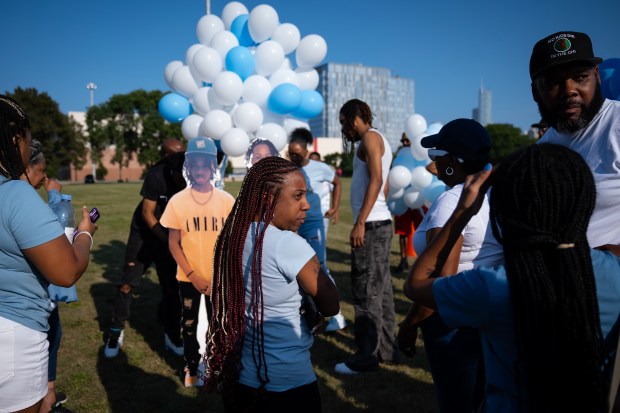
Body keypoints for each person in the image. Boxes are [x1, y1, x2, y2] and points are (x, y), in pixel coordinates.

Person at [405, 143, 620, 412]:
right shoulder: (613, 269)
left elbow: (416, 284)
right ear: (585, 201)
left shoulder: (494, 286)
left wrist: (462, 213)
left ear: (510, 211)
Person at [205, 156, 340, 412]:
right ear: (268, 198)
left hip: (244, 377)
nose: (306, 206)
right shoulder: (286, 244)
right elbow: (331, 302)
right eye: (298, 196)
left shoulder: (234, 235)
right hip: (288, 383)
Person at [0, 94, 97, 413]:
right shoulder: (14, 194)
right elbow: (65, 271)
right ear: (16, 139)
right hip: (13, 334)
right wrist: (85, 233)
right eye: (27, 139)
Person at [399, 119, 503, 412]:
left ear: (453, 162)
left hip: (453, 323)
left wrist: (409, 324)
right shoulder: (497, 195)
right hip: (489, 315)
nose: (433, 164)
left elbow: (441, 281)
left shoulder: (451, 202)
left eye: (436, 157)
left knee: (456, 404)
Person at [531, 30, 620, 248]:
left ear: (597, 77)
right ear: (535, 92)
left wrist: (608, 258)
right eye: (553, 83)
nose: (569, 90)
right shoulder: (540, 152)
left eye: (580, 77)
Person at [160, 137, 235, 387]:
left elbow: (231, 243)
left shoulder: (226, 201)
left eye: (206, 165)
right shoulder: (177, 201)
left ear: (213, 167)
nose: (200, 171)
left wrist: (217, 275)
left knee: (217, 324)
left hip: (218, 277)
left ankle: (215, 367)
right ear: (188, 168)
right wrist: (193, 275)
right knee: (189, 325)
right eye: (195, 165)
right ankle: (191, 366)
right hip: (189, 277)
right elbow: (173, 243)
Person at [104, 138, 186, 359]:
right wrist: (167, 239)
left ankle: (171, 335)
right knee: (128, 283)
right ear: (167, 158)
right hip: (145, 235)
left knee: (172, 288)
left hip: (170, 236)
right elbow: (147, 214)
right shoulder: (156, 175)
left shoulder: (191, 175)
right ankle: (115, 331)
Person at [335, 99, 399, 374]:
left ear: (354, 117)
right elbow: (383, 186)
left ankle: (366, 357)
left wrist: (360, 221)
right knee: (382, 289)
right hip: (380, 222)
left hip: (371, 226)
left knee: (365, 291)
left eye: (343, 122)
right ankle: (387, 351)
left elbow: (376, 180)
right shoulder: (379, 138)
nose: (343, 128)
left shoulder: (371, 138)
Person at [21, 140, 75, 413]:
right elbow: (57, 238)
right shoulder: (23, 202)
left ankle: (48, 394)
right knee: (49, 336)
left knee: (54, 333)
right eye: (41, 170)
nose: (44, 177)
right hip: (28, 304)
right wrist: (56, 198)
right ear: (26, 169)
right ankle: (45, 400)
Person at [287, 128, 346, 332]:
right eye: (290, 153)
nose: (294, 156)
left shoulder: (320, 167)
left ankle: (335, 315)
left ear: (306, 150)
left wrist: (335, 207)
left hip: (313, 223)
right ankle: (307, 314)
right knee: (296, 268)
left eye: (297, 153)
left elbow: (337, 183)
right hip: (293, 224)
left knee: (319, 265)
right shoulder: (287, 168)